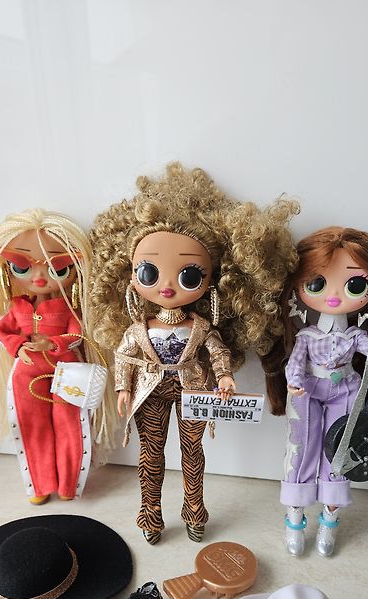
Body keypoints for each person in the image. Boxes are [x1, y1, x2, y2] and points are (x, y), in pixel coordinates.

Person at [89, 162, 298, 543]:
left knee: (193, 453)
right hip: (150, 391)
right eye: (149, 273)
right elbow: (124, 356)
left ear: (214, 281)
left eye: (188, 275)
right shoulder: (138, 329)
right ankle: (150, 514)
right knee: (150, 455)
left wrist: (225, 376)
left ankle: (195, 511)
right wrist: (123, 388)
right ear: (129, 276)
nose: (168, 287)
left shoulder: (201, 327)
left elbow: (217, 351)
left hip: (194, 389)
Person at [261, 226, 368, 556]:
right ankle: (295, 517)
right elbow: (295, 362)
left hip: (345, 389)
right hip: (307, 391)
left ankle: (329, 519)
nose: (333, 296)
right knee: (301, 448)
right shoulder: (306, 335)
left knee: (340, 452)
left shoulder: (355, 335)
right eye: (316, 283)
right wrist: (293, 382)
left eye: (354, 285)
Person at [0, 209, 116, 504]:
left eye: (58, 269)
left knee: (70, 424)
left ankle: (68, 483)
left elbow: (76, 336)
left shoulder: (68, 310)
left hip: (66, 372)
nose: (39, 277)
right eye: (22, 267)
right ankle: (41, 484)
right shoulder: (17, 307)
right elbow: (3, 331)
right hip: (27, 373)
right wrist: (19, 347)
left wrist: (53, 343)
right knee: (31, 425)